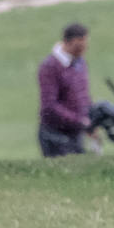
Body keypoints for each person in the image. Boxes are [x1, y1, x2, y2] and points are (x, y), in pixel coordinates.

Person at [37, 22, 97, 157]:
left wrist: (91, 119)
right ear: (70, 42)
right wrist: (80, 121)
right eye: (80, 44)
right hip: (55, 135)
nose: (84, 48)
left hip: (76, 133)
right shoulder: (50, 66)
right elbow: (49, 106)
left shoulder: (80, 62)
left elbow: (83, 95)